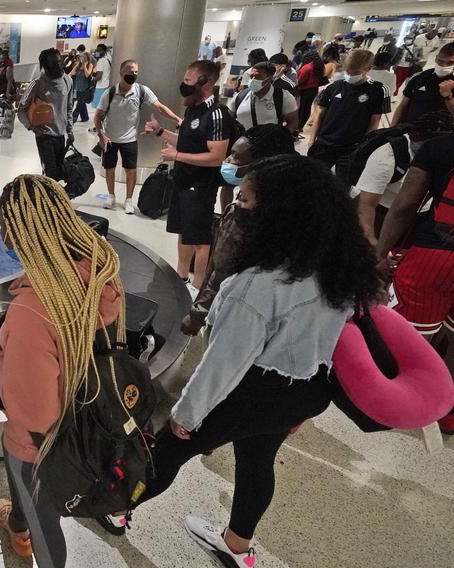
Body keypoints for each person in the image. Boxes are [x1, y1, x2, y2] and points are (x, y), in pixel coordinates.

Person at [144, 155, 383, 568]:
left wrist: (186, 415)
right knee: (257, 460)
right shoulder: (338, 265)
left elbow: (224, 364)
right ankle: (237, 547)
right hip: (304, 390)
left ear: (279, 214)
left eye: (247, 202)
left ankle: (112, 505)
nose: (237, 209)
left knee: (165, 455)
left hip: (250, 392)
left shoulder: (256, 285)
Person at [0, 174, 124, 567]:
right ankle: (15, 520)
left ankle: (28, 538)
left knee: (43, 518)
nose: (0, 233)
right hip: (90, 419)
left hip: (43, 445)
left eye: (2, 223)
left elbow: (34, 415)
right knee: (27, 502)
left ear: (18, 230)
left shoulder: (32, 310)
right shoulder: (98, 274)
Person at [182, 124, 298, 336]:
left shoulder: (245, 214)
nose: (227, 161)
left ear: (260, 164)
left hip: (230, 316)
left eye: (235, 157)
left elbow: (222, 269)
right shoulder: (293, 207)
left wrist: (197, 314)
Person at [375, 133, 454, 434]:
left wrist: (381, 253)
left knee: (407, 335)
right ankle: (448, 410)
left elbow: (405, 205)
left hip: (434, 256)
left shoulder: (440, 146)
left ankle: (396, 403)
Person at [146, 59, 237, 292]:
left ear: (205, 82)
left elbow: (216, 156)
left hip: (201, 185)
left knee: (199, 238)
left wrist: (177, 156)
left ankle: (197, 287)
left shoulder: (217, 114)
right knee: (183, 232)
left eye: (188, 80)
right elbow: (187, 143)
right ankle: (181, 276)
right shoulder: (192, 109)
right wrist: (160, 132)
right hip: (183, 180)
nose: (184, 85)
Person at [354, 110, 454, 245]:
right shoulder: (388, 156)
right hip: (382, 212)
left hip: (421, 215)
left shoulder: (444, 155)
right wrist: (371, 240)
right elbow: (366, 204)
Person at [95, 59, 182, 214]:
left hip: (130, 139)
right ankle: (111, 196)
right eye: (130, 72)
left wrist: (177, 119)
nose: (133, 75)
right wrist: (101, 135)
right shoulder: (109, 93)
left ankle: (128, 200)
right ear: (121, 73)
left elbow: (160, 107)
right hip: (110, 138)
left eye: (136, 72)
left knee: (131, 170)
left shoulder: (141, 91)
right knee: (110, 168)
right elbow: (98, 116)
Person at [309, 49, 390, 182]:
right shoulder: (334, 87)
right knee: (314, 180)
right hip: (324, 144)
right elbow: (319, 115)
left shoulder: (379, 90)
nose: (350, 75)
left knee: (342, 185)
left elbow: (374, 123)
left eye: (356, 72)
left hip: (351, 148)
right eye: (348, 71)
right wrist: (312, 140)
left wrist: (363, 148)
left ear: (368, 68)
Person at [18, 48, 74, 182]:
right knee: (51, 173)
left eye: (60, 62)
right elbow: (21, 109)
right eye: (54, 63)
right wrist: (31, 127)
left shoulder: (68, 81)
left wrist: (70, 131)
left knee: (59, 172)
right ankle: (48, 199)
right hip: (45, 136)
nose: (59, 65)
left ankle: (53, 197)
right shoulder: (38, 83)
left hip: (60, 134)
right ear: (46, 65)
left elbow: (69, 108)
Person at [391, 42, 454, 125]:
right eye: (440, 61)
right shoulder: (420, 76)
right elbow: (403, 105)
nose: (443, 65)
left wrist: (448, 96)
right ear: (436, 58)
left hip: (437, 134)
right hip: (409, 128)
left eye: (450, 63)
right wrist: (392, 128)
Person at [229, 62, 299, 132]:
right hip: (243, 141)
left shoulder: (282, 97)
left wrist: (280, 138)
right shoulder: (240, 96)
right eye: (251, 77)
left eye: (257, 77)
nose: (252, 80)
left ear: (269, 78)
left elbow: (292, 122)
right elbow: (228, 119)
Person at [296, 51, 326, 133]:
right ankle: (301, 126)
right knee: (307, 109)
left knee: (300, 109)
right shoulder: (320, 66)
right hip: (314, 90)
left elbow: (300, 80)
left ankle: (296, 126)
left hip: (303, 90)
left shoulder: (307, 67)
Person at [70, 53, 95, 124]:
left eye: (84, 58)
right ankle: (85, 117)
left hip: (85, 88)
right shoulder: (77, 65)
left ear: (87, 58)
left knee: (79, 104)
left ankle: (73, 118)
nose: (82, 59)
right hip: (78, 87)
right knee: (82, 103)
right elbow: (71, 74)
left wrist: (84, 66)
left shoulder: (90, 65)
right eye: (81, 57)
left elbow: (87, 75)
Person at [91, 44, 113, 109]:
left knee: (98, 108)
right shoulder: (109, 58)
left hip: (100, 86)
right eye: (97, 50)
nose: (97, 52)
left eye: (100, 50)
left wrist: (93, 79)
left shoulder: (101, 61)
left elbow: (99, 77)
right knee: (105, 106)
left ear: (104, 51)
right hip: (107, 85)